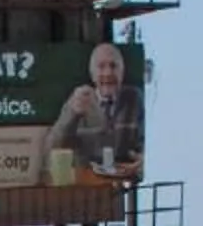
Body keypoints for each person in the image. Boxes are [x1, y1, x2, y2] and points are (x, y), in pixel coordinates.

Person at [45, 41, 145, 185]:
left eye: (113, 66)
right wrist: (72, 114)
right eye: (101, 66)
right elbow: (52, 147)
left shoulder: (134, 98)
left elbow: (142, 146)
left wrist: (142, 160)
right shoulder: (79, 98)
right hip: (85, 187)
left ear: (122, 73)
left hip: (116, 185)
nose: (108, 73)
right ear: (92, 75)